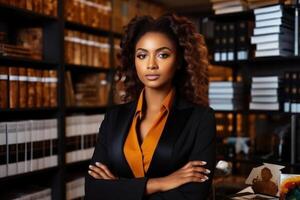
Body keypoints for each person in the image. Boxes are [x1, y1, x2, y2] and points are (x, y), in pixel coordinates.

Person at [85, 13, 216, 200]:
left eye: (163, 55)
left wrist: (119, 189)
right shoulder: (114, 116)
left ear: (179, 60)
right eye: (142, 55)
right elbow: (93, 189)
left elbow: (192, 195)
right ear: (134, 61)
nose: (151, 65)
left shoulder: (201, 118)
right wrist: (161, 183)